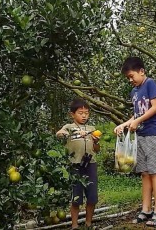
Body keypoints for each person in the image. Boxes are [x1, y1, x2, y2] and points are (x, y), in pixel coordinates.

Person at [114, 56, 156, 227]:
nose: (130, 80)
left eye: (131, 76)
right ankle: (146, 209)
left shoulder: (150, 83)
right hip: (141, 136)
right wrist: (124, 124)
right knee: (144, 173)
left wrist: (136, 122)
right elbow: (136, 115)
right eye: (128, 78)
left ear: (141, 71)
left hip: (153, 133)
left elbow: (155, 107)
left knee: (155, 172)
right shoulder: (134, 92)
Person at [56, 98, 100, 230]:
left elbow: (97, 149)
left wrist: (96, 142)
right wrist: (74, 132)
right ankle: (74, 225)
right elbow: (59, 134)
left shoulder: (92, 129)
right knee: (76, 197)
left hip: (90, 165)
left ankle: (88, 224)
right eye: (81, 113)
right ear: (72, 114)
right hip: (74, 165)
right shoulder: (68, 128)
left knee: (92, 197)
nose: (84, 115)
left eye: (86, 113)